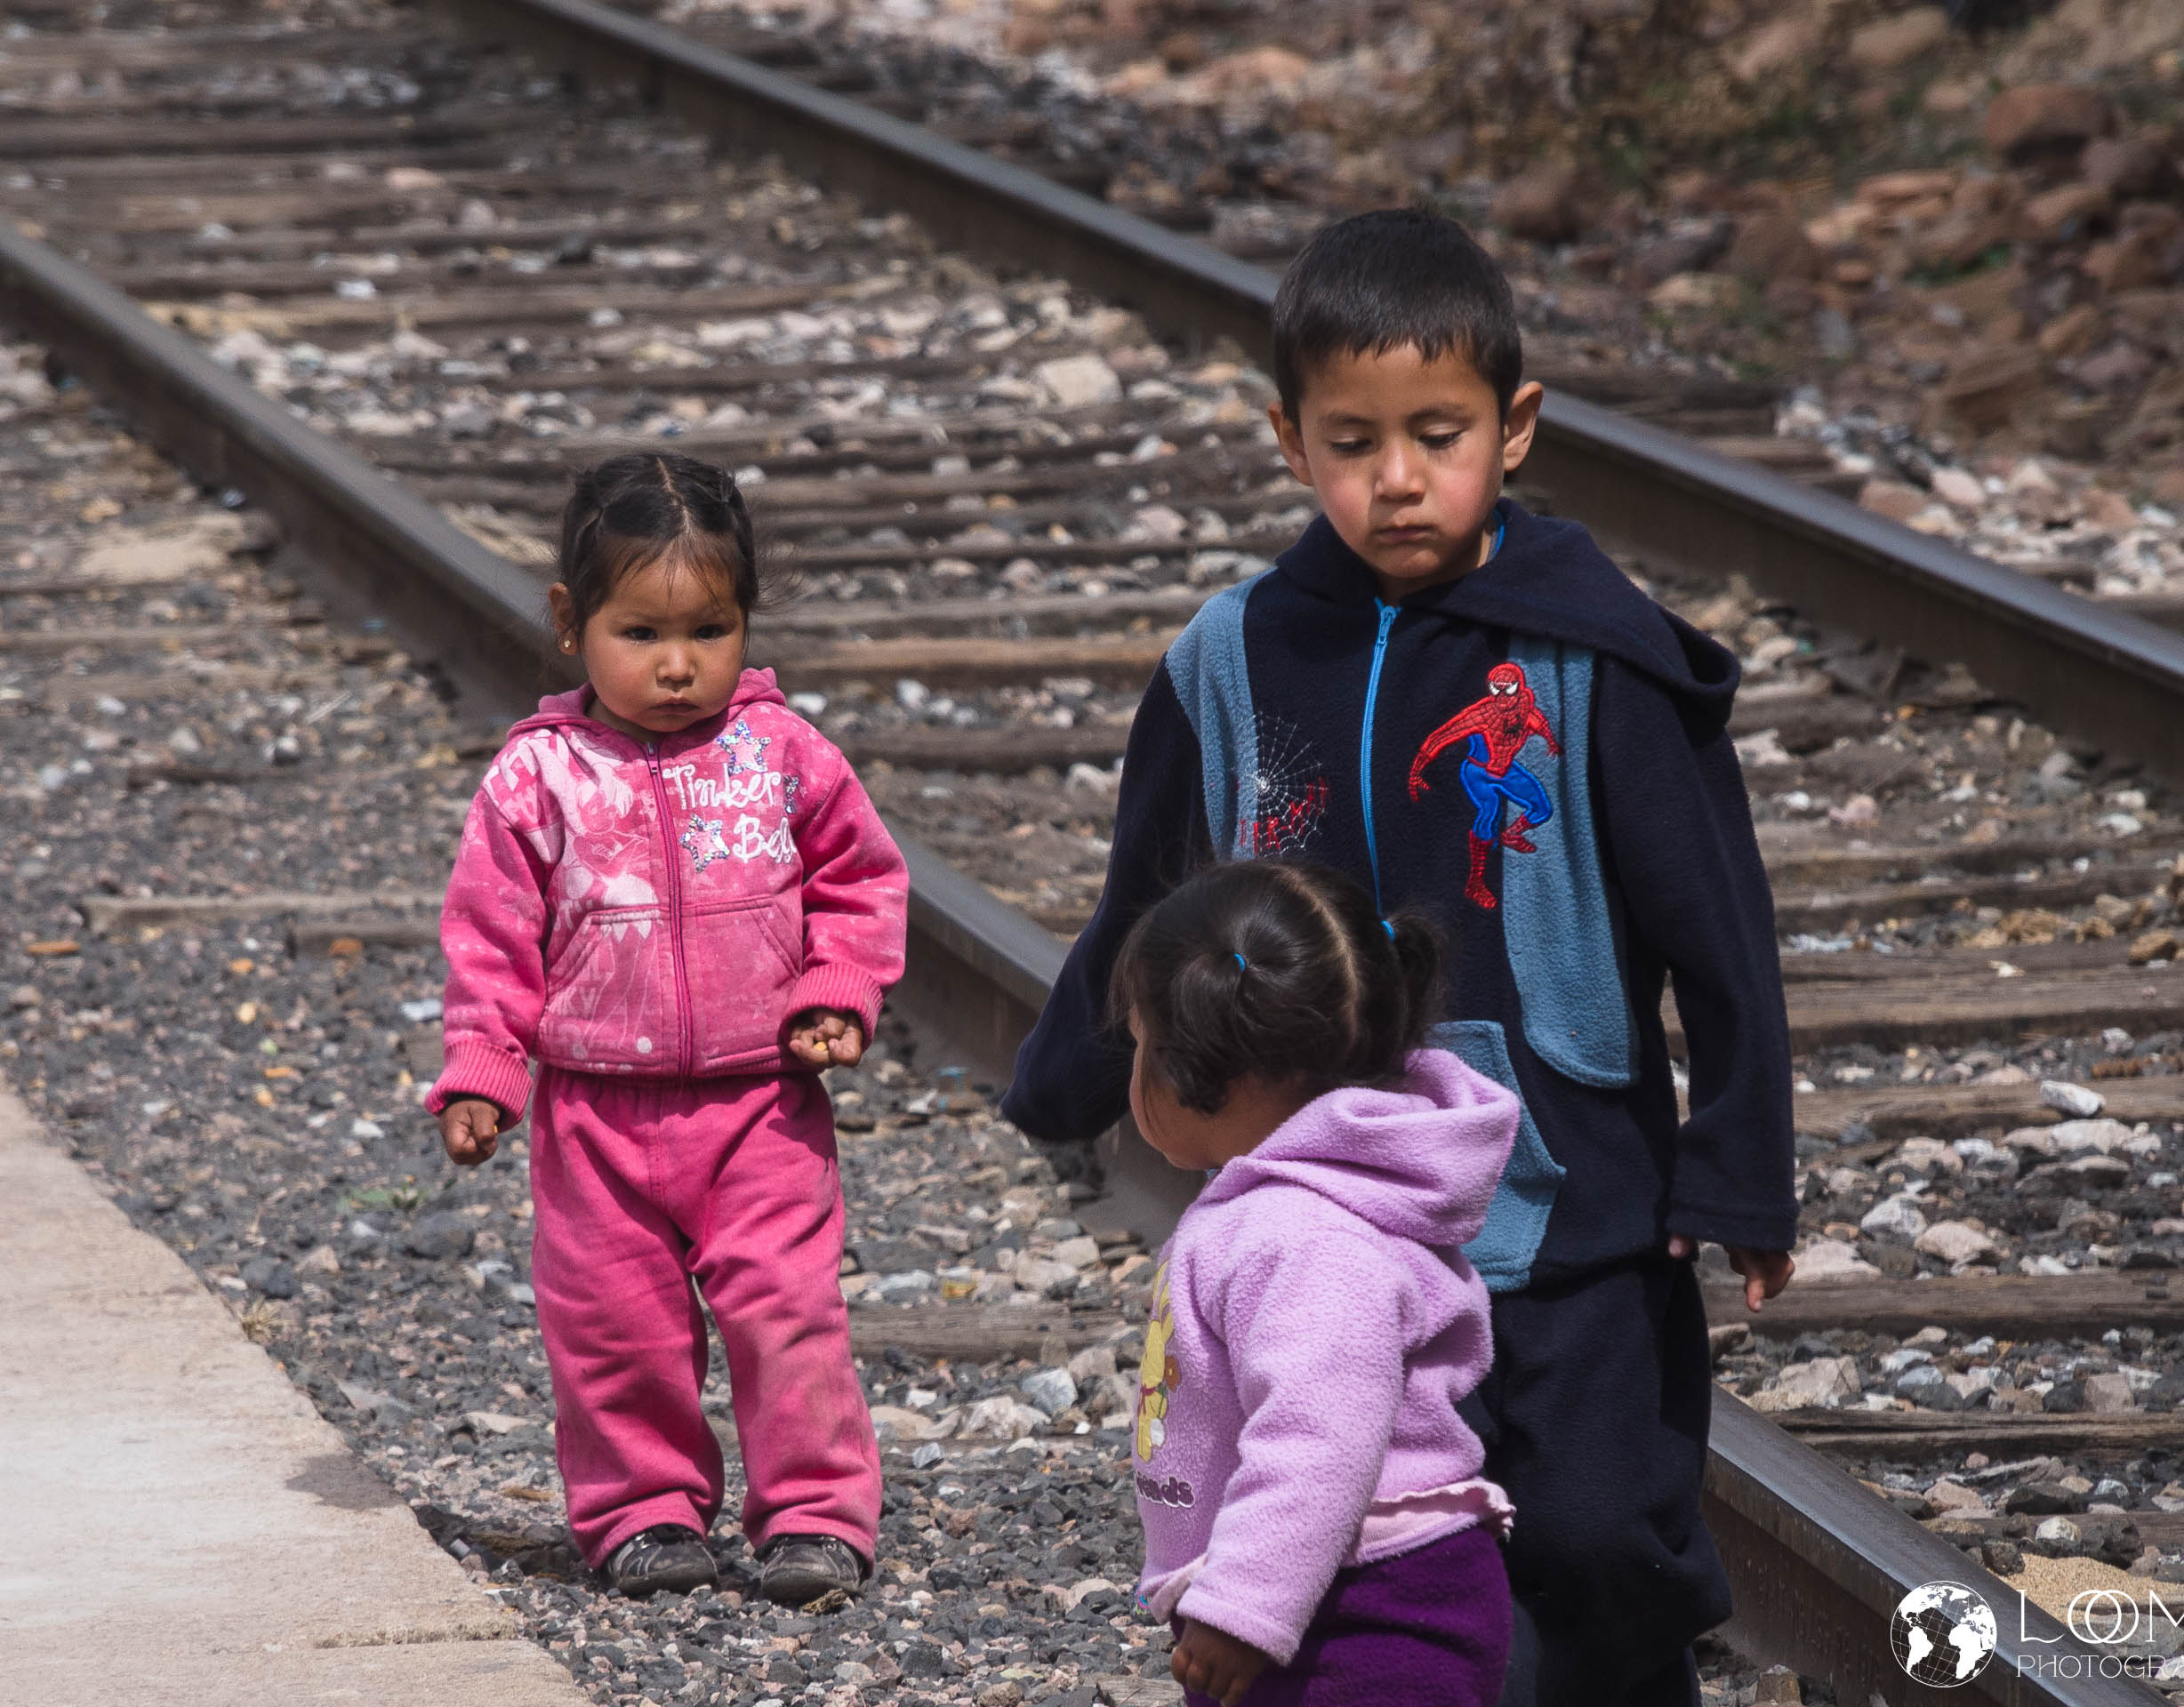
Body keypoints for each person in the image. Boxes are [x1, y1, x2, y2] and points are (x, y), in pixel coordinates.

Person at [1003, 208, 1798, 1706]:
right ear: (1289, 440)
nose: (1398, 478)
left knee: (1601, 1535)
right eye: (1352, 441)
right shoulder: (1233, 657)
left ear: (1516, 426)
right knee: (1384, 1539)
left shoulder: (1591, 657)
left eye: (1439, 436)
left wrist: (1740, 1162)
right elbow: (1146, 901)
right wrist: (1069, 1077)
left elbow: (1719, 922)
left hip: (1573, 1197)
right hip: (1327, 1207)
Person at [427, 452, 907, 1606]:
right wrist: (485, 1067)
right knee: (614, 1327)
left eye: (711, 629)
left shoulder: (786, 754)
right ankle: (642, 1512)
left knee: (788, 1313)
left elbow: (859, 882)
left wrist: (836, 989)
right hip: (594, 1115)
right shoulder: (537, 777)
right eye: (641, 632)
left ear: (748, 621)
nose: (680, 663)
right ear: (571, 622)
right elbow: (492, 937)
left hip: (761, 1107)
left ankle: (813, 1514)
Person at [1113, 858, 1519, 1707]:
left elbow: (1318, 1436)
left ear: (1207, 1074)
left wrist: (1244, 1607)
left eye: (1141, 1043)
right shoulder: (1287, 1207)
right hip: (1325, 1590)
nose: (1134, 1066)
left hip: (1368, 1608)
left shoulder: (1309, 1239)